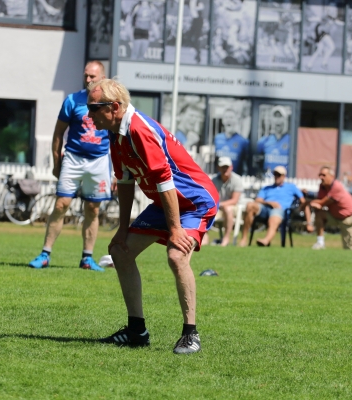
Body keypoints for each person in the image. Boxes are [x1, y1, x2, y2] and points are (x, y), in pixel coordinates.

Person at [87, 78, 219, 354]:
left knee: (176, 255)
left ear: (114, 107)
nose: (89, 114)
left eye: (94, 108)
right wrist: (123, 228)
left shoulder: (138, 129)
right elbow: (125, 181)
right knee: (120, 251)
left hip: (195, 202)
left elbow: (165, 180)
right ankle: (136, 331)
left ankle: (191, 334)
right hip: (165, 201)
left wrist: (175, 229)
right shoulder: (114, 132)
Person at [28, 61, 111, 271]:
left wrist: (117, 172)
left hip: (99, 161)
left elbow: (118, 137)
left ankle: (87, 258)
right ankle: (45, 254)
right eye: (86, 75)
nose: (88, 79)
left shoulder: (111, 102)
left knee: (92, 208)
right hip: (73, 158)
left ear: (102, 77)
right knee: (61, 204)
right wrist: (57, 162)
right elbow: (58, 133)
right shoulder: (72, 100)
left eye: (92, 76)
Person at [307, 166, 352, 251]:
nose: (321, 177)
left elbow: (322, 202)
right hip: (335, 216)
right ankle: (320, 243)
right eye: (320, 175)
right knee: (320, 213)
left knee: (350, 248)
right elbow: (319, 201)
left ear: (331, 176)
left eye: (324, 175)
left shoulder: (336, 186)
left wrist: (308, 203)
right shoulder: (322, 186)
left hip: (349, 218)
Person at [238, 166, 308, 247]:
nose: (276, 176)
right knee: (250, 205)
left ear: (284, 176)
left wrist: (306, 218)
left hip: (281, 210)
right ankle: (244, 239)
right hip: (265, 209)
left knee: (275, 215)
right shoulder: (266, 188)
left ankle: (266, 240)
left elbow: (303, 201)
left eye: (279, 175)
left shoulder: (291, 187)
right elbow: (258, 200)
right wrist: (269, 203)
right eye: (275, 174)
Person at [211, 156, 243, 247]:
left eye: (227, 167)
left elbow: (234, 200)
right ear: (218, 168)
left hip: (234, 208)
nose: (225, 169)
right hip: (218, 208)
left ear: (231, 167)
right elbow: (213, 197)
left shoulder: (237, 179)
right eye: (223, 167)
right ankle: (204, 237)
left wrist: (220, 204)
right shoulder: (214, 180)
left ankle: (226, 238)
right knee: (204, 209)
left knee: (228, 208)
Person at [214, 108, 249, 175]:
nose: (228, 120)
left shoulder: (243, 141)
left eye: (231, 117)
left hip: (235, 178)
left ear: (236, 120)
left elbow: (247, 164)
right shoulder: (217, 138)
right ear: (223, 120)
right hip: (219, 178)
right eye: (226, 117)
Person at [256, 106, 291, 173]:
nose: (278, 120)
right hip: (268, 178)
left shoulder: (291, 141)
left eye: (280, 117)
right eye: (275, 117)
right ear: (272, 120)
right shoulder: (265, 140)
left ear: (285, 120)